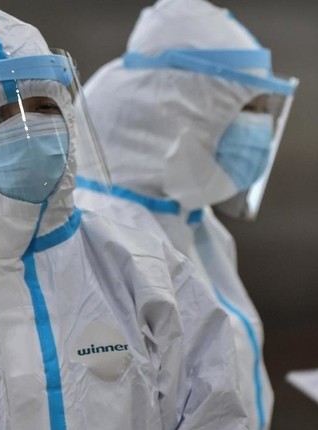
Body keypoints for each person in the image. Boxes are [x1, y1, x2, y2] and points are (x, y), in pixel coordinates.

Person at [0, 1, 248, 429]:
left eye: (43, 108)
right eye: (0, 118)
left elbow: (211, 409)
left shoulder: (142, 267)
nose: (30, 130)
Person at [74, 1, 299, 428]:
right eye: (248, 108)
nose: (260, 128)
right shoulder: (103, 238)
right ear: (181, 110)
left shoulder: (194, 224)